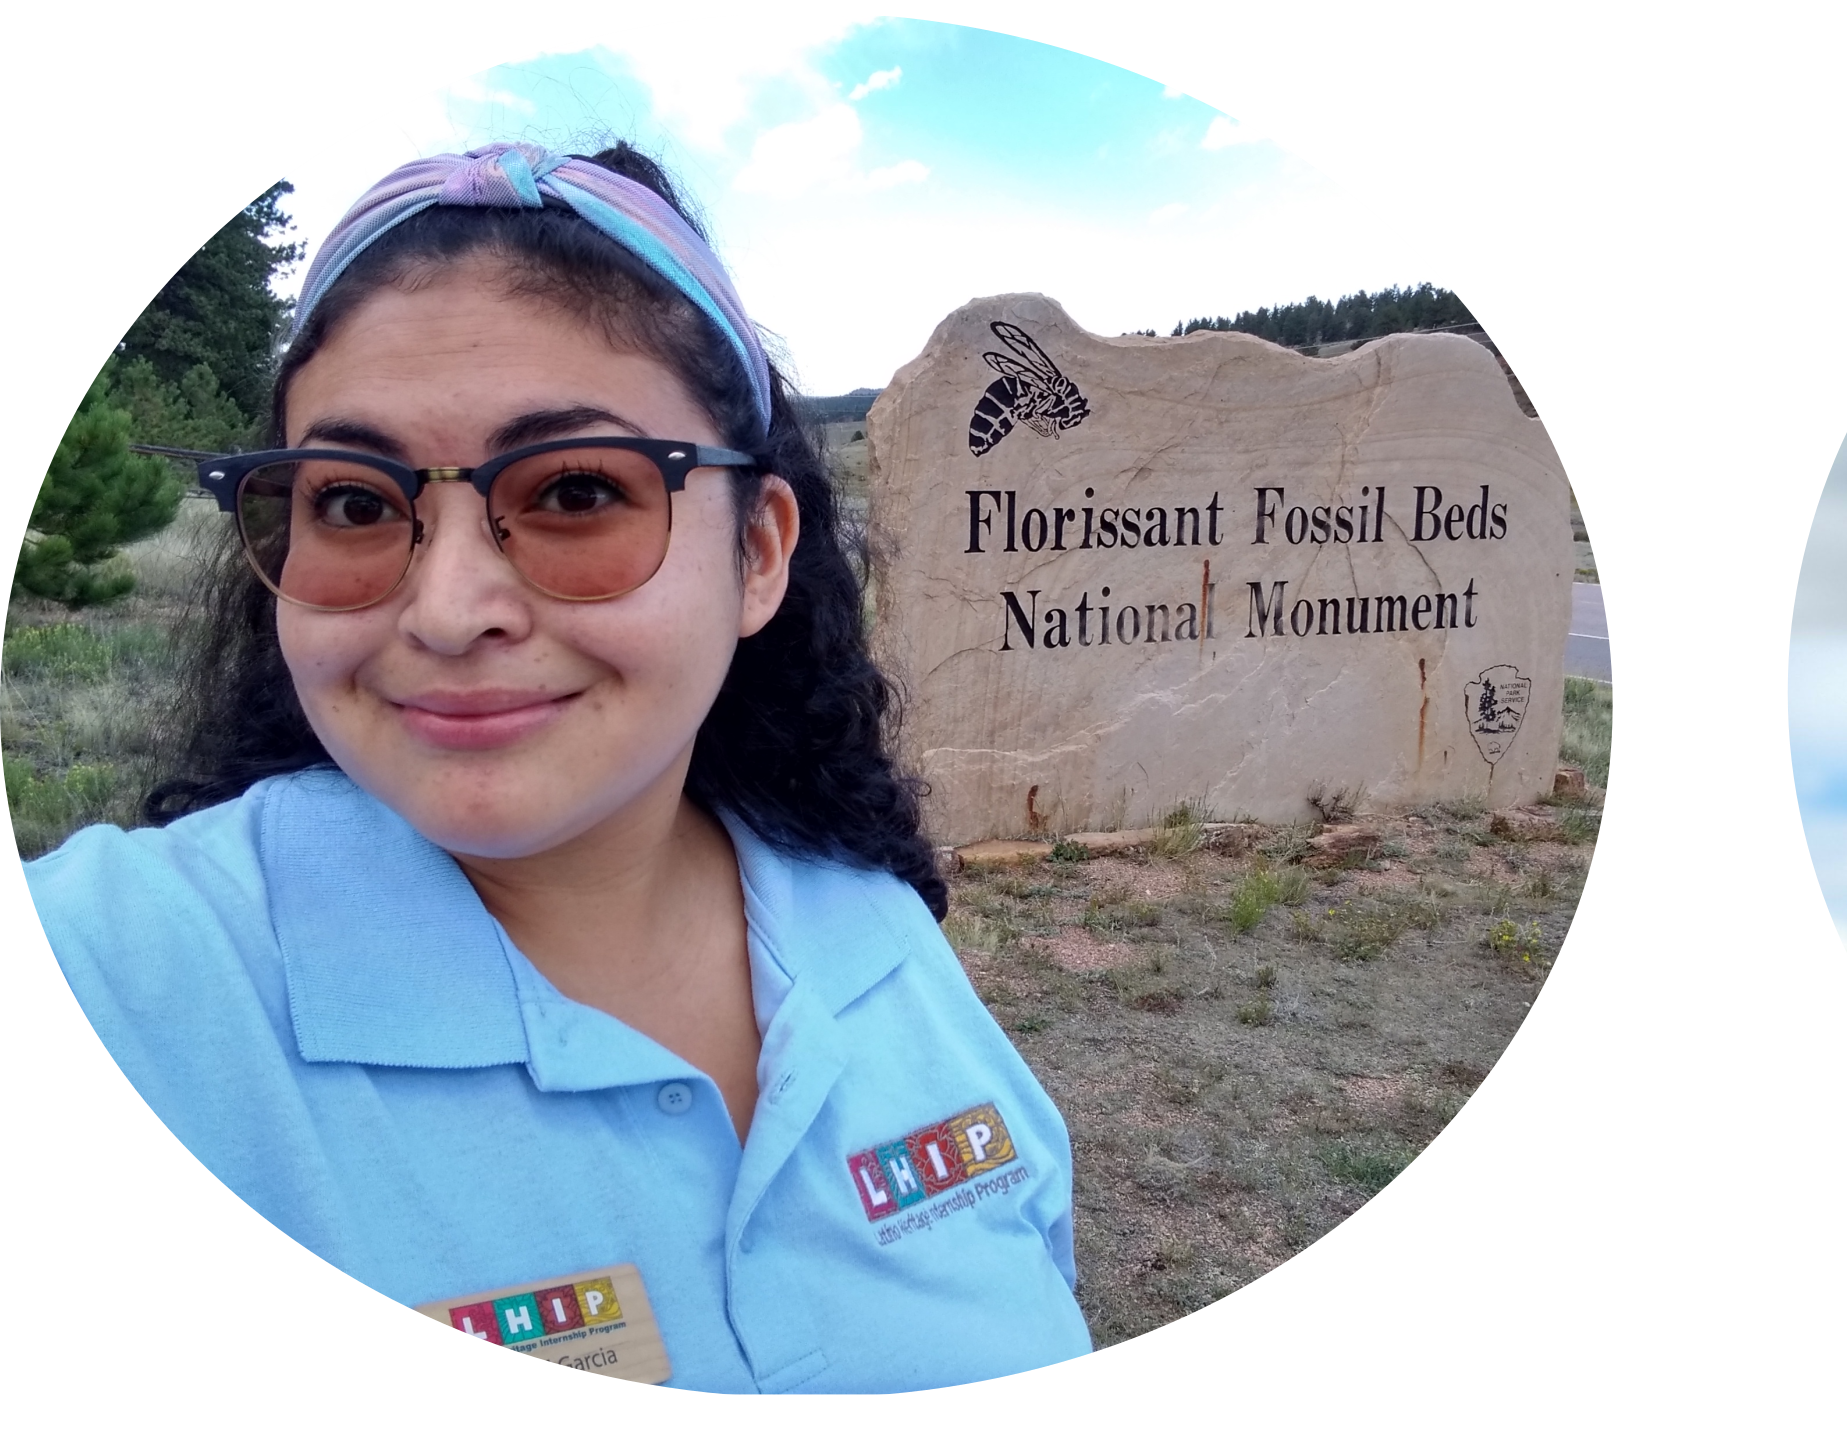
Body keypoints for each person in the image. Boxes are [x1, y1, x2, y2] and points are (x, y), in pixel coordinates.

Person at [32, 142, 1094, 1390]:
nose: (446, 608)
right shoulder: (136, 974)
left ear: (758, 552)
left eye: (576, 489)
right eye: (358, 503)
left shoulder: (875, 935)